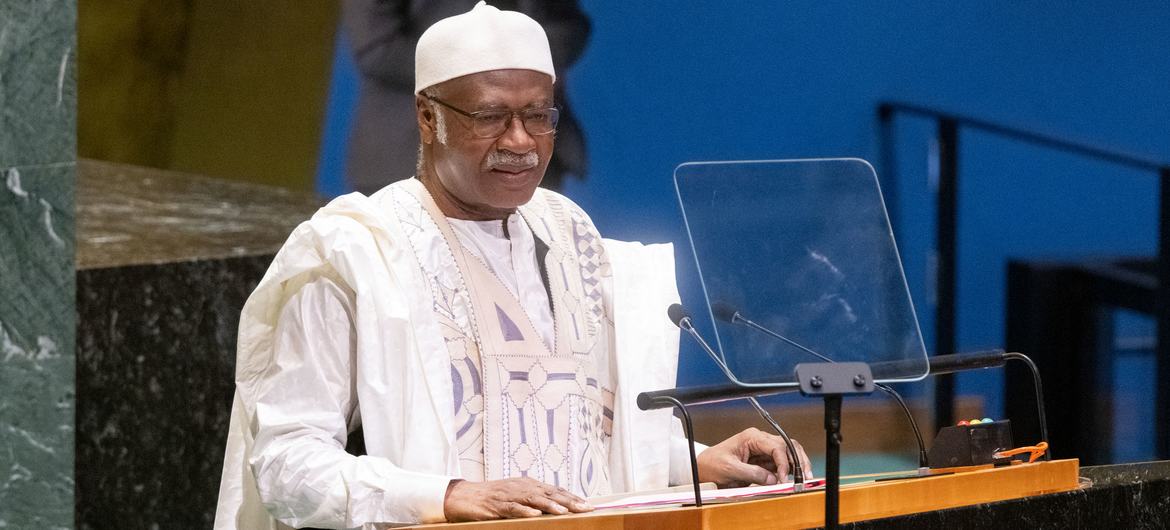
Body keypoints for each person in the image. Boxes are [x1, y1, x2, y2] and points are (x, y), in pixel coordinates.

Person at [214, 3, 809, 528]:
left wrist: (698, 460)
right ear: (428, 117)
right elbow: (287, 463)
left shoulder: (572, 239)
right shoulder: (356, 253)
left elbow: (576, 438)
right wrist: (447, 497)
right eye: (491, 116)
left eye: (538, 116)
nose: (521, 141)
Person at [341, 0, 590, 194]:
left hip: (535, 156)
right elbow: (377, 48)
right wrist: (488, 73)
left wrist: (533, 61)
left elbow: (569, 24)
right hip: (410, 156)